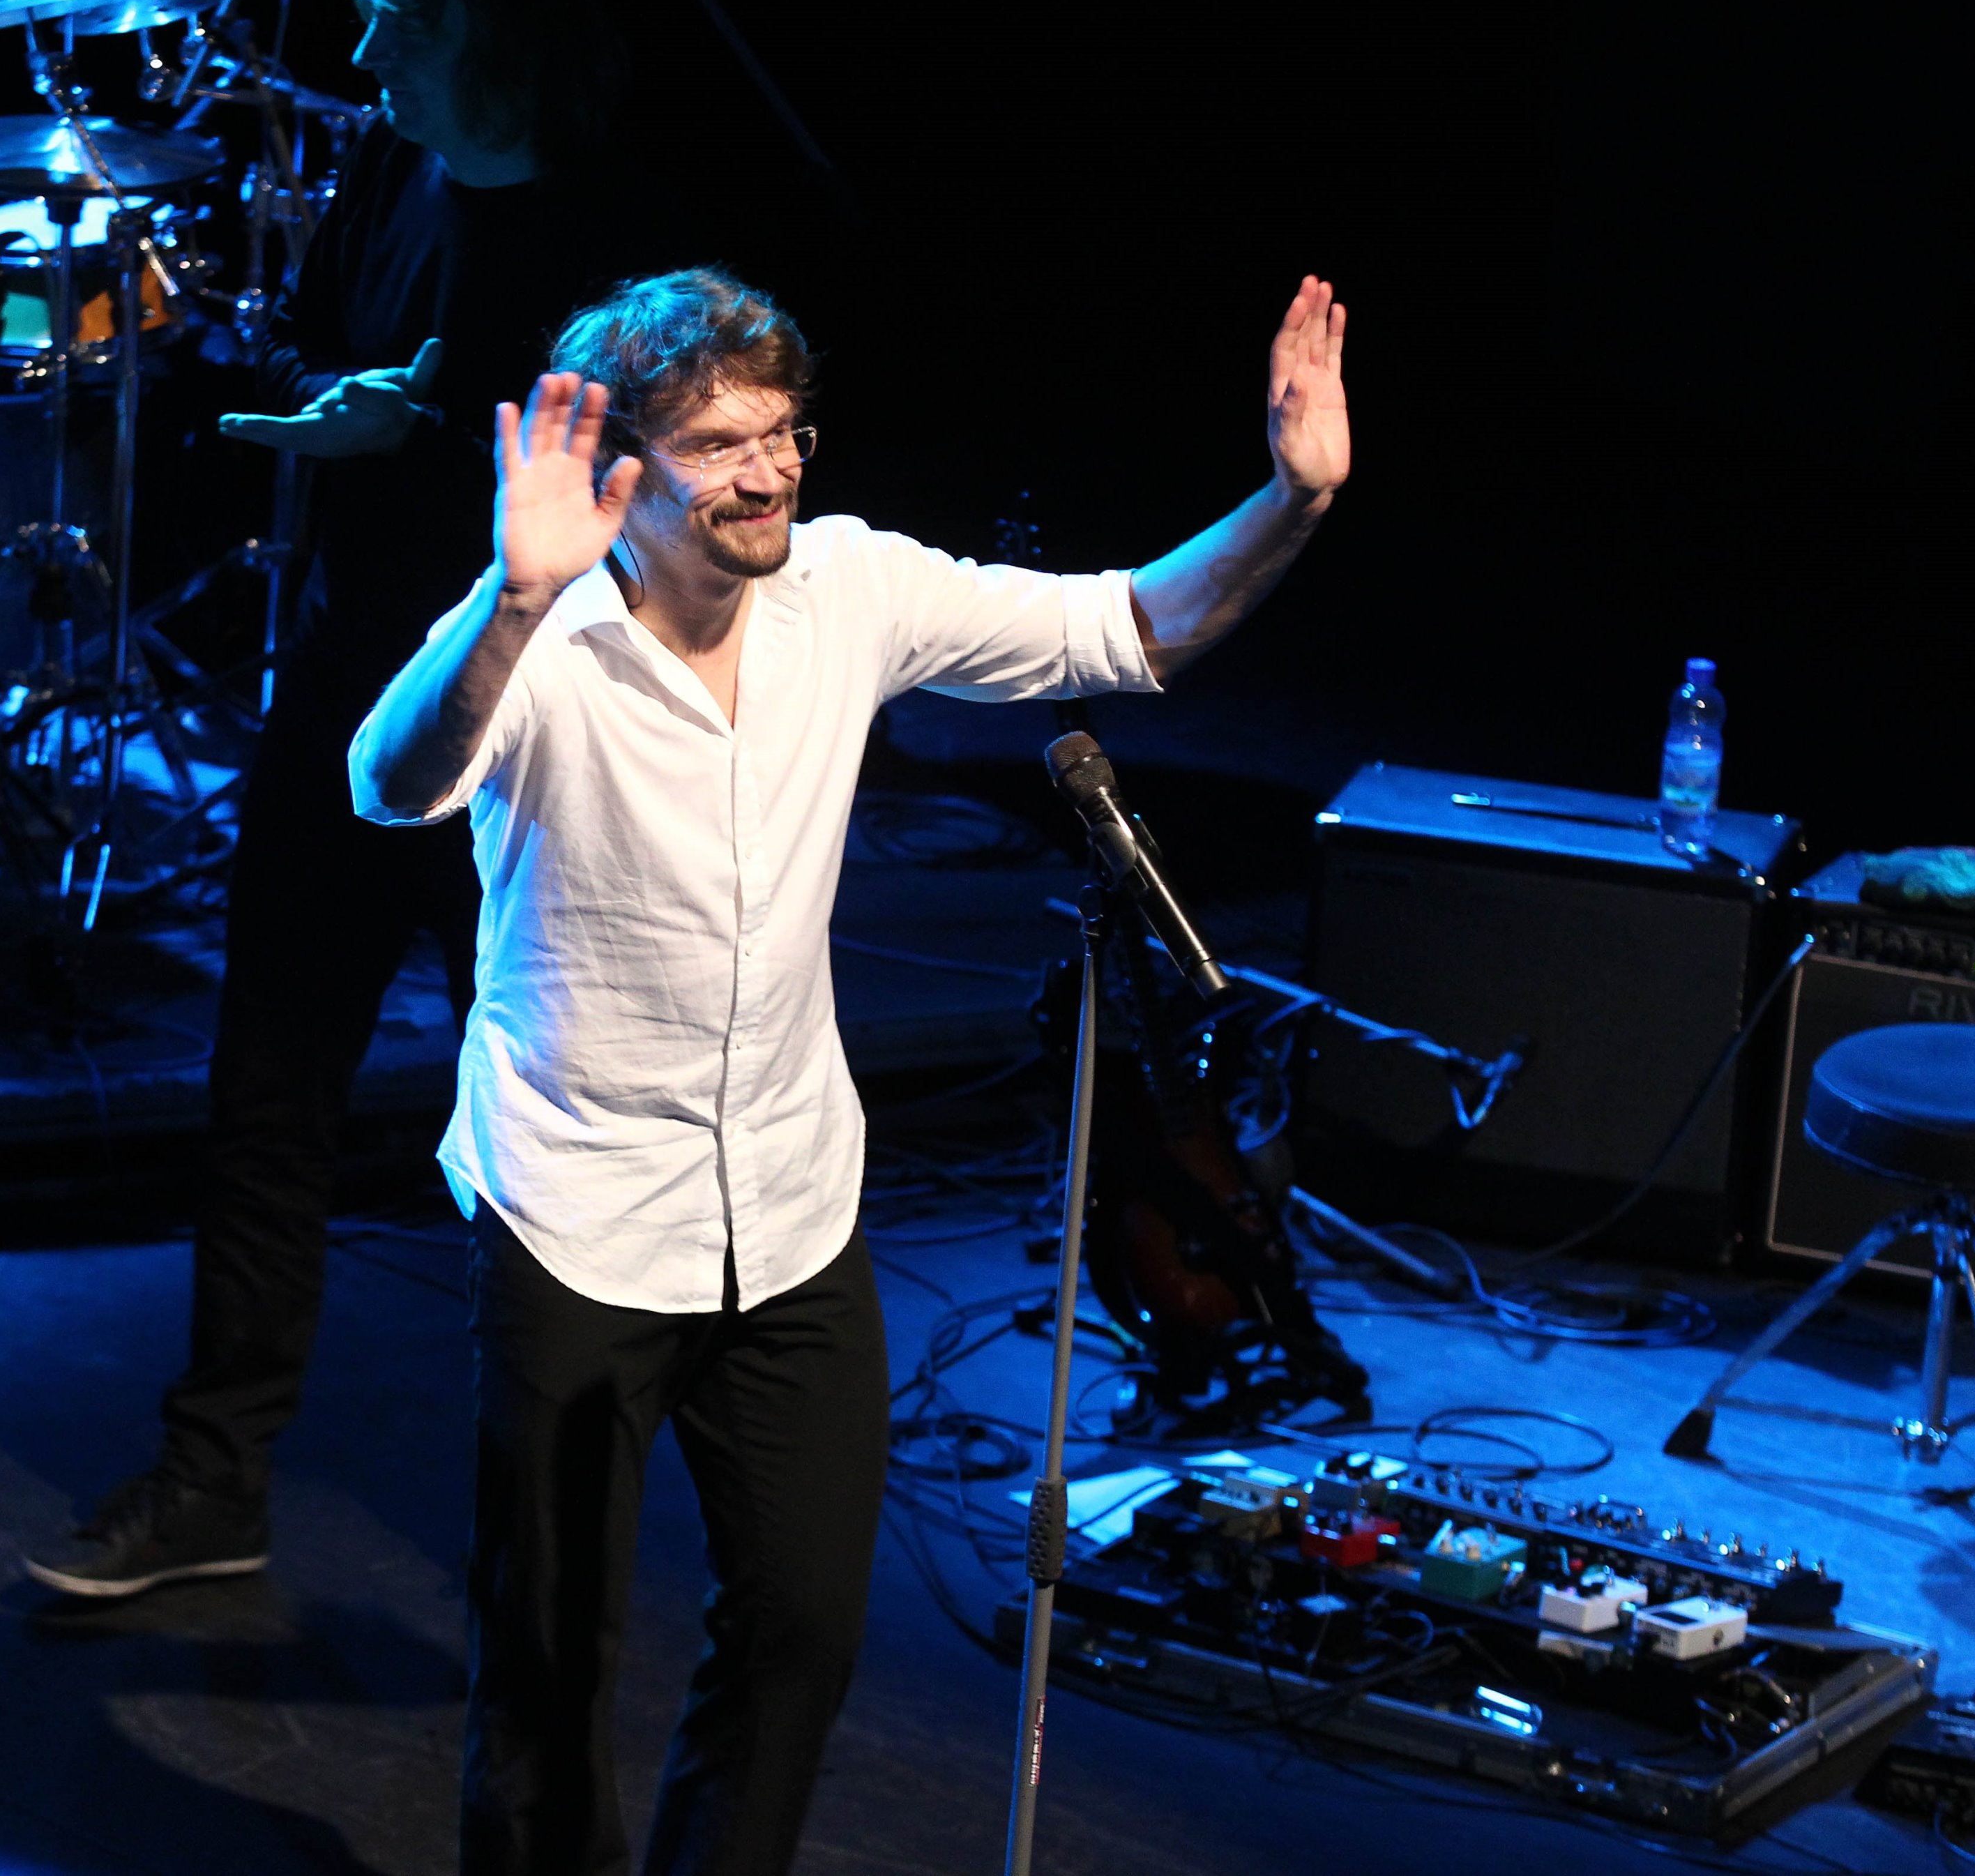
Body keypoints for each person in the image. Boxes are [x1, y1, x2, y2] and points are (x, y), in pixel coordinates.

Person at [346, 266, 1350, 1873]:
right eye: (718, 446)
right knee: (547, 1668)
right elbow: (389, 783)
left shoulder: (850, 589)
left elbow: (1132, 624)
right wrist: (515, 599)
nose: (767, 475)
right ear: (621, 472)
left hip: (790, 1213)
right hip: (576, 1217)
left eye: (783, 434)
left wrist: (1292, 500)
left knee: (805, 1627)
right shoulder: (545, 634)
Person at [24, 0, 679, 1597]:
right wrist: (329, 409)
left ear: (488, 23)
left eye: (396, 15)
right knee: (268, 1084)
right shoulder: (394, 166)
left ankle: (556, 1522)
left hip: (533, 731)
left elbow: (654, 484)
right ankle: (213, 1476)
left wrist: (428, 429)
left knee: (539, 1125)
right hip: (352, 692)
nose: (365, 48)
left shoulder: (619, 224)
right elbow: (309, 352)